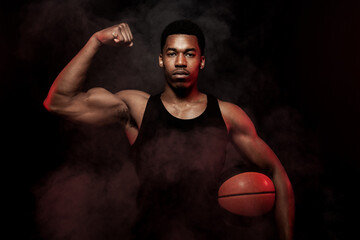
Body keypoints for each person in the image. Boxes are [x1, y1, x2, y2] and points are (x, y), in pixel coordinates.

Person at [44, 20, 294, 240]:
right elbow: (58, 102)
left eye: (190, 54)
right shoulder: (137, 108)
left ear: (202, 60)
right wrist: (95, 40)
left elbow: (277, 172)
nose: (181, 62)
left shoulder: (228, 115)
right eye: (172, 53)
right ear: (161, 60)